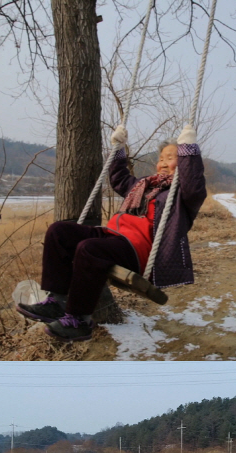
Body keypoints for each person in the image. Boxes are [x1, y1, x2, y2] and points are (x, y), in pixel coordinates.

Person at [16, 124, 207, 342]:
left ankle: (79, 320)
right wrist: (118, 149)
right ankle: (57, 300)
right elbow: (118, 178)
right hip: (113, 237)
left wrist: (189, 149)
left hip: (138, 251)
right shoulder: (144, 185)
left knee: (89, 249)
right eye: (161, 158)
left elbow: (194, 184)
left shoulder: (184, 196)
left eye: (171, 157)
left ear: (183, 162)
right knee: (59, 231)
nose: (163, 163)